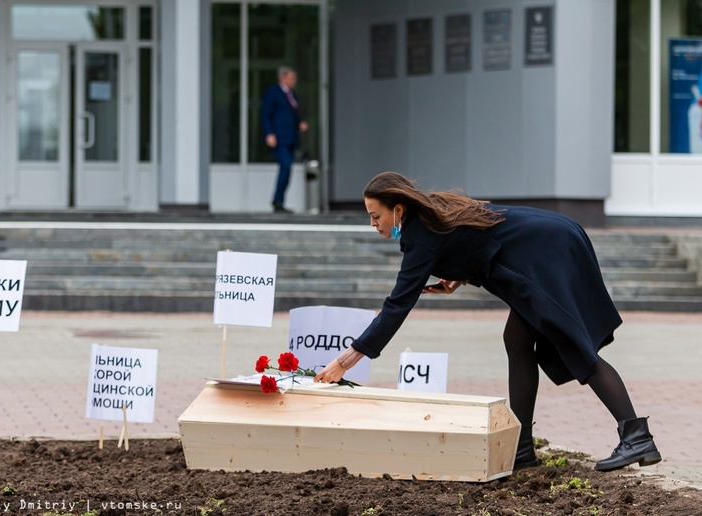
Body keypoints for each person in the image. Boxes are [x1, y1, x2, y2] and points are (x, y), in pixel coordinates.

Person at [314, 171, 662, 473]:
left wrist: (346, 360)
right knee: (517, 339)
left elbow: (397, 306)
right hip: (551, 241)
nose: (373, 225)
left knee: (574, 345)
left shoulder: (419, 236)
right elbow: (472, 238)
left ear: (398, 209)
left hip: (546, 253)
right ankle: (522, 449)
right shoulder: (430, 214)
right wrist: (458, 275)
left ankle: (636, 437)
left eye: (376, 216)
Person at [260, 66, 308, 213]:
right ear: (283, 77)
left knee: (287, 168)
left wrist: (300, 122)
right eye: (291, 78)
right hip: (278, 137)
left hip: (291, 137)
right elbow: (266, 114)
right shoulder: (273, 92)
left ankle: (280, 200)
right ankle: (277, 200)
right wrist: (269, 133)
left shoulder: (292, 94)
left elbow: (293, 113)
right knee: (286, 165)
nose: (294, 81)